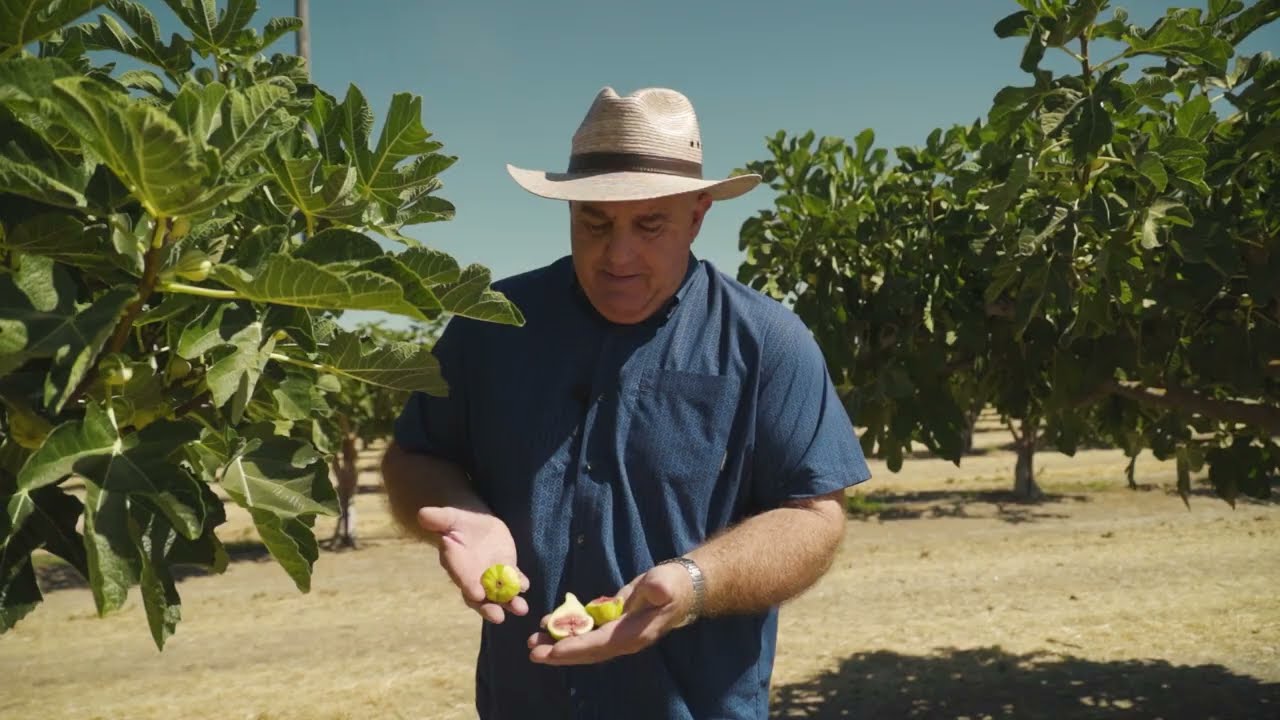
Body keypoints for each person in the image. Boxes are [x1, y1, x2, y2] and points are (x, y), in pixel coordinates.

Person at [381, 86, 872, 720]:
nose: (618, 256)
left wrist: (695, 584)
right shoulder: (488, 326)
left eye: (649, 225)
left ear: (697, 215)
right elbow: (414, 458)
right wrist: (464, 513)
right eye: (594, 222)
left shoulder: (769, 343)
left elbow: (814, 518)